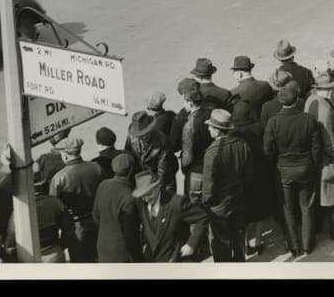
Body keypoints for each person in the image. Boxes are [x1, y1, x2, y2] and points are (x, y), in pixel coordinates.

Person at [263, 85, 322, 257]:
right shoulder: (308, 119)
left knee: (287, 209)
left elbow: (267, 150)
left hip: (283, 169)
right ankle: (307, 245)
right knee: (307, 207)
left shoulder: (273, 121)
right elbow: (316, 148)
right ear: (297, 100)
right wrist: (314, 165)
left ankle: (293, 246)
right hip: (305, 167)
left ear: (280, 101)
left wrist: (275, 163)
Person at [202, 109, 253, 262]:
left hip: (219, 204)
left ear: (217, 131)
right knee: (238, 237)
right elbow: (249, 175)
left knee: (221, 242)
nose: (208, 128)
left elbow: (208, 183)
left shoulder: (211, 152)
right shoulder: (242, 144)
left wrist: (207, 202)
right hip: (239, 197)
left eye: (211, 127)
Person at [132, 170, 208, 262]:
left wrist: (191, 244)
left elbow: (202, 218)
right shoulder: (140, 203)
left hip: (173, 259)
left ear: (158, 187)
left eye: (149, 194)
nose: (147, 199)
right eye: (143, 196)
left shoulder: (177, 202)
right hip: (151, 261)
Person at [305, 73, 334, 240]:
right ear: (319, 89)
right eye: (326, 89)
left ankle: (317, 228)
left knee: (317, 192)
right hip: (327, 156)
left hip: (313, 154)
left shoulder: (310, 100)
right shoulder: (326, 108)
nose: (330, 92)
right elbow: (330, 139)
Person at [48, 136, 102, 263]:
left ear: (65, 155)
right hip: (97, 221)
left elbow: (54, 205)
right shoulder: (96, 167)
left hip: (75, 228)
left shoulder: (58, 178)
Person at [7, 169, 73, 262]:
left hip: (29, 257)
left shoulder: (18, 210)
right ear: (42, 184)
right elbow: (69, 229)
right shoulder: (55, 202)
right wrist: (61, 245)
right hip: (55, 253)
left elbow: (11, 241)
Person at [92, 153, 141, 263]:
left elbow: (95, 216)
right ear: (131, 171)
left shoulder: (103, 185)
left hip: (102, 245)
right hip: (122, 251)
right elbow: (130, 234)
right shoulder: (129, 196)